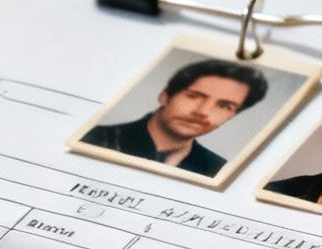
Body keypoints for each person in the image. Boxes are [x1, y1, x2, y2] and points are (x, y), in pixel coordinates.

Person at [81, 58, 268, 179]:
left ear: (232, 116)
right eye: (194, 96)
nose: (203, 111)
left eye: (224, 105)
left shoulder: (218, 169)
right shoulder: (94, 138)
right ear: (165, 96)